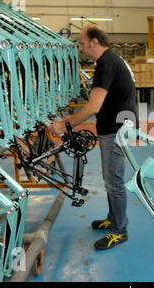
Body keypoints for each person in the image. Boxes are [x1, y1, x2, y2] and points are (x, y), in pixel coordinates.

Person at [49, 25, 137, 250]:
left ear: (94, 42)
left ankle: (120, 231)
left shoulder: (106, 63)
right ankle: (113, 219)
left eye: (81, 43)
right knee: (111, 179)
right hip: (117, 127)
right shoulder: (111, 60)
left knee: (114, 181)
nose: (81, 48)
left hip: (116, 130)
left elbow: (93, 106)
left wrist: (64, 124)